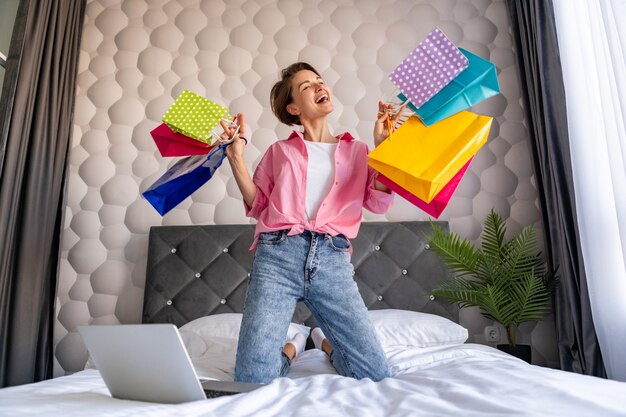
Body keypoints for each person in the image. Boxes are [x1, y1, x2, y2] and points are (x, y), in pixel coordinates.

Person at [221, 62, 404, 384]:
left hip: (332, 259)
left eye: (320, 81)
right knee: (251, 379)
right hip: (277, 256)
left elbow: (378, 201)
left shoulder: (358, 151)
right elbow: (259, 204)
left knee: (374, 373)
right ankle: (292, 347)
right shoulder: (281, 152)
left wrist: (385, 147)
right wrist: (236, 157)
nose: (320, 87)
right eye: (307, 86)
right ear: (293, 107)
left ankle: (322, 341)